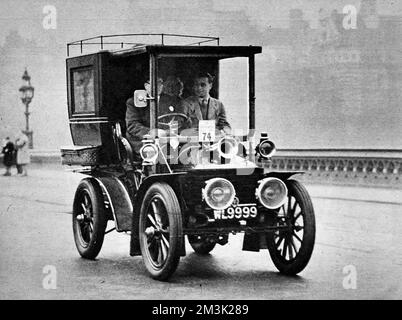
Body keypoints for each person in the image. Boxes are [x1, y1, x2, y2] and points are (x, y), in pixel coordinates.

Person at [125, 77, 188, 157]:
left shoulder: (173, 100)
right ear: (146, 86)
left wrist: (170, 132)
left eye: (159, 83)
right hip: (144, 140)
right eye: (154, 83)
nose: (157, 86)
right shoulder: (134, 102)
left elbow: (181, 120)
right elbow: (132, 125)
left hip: (168, 139)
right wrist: (154, 133)